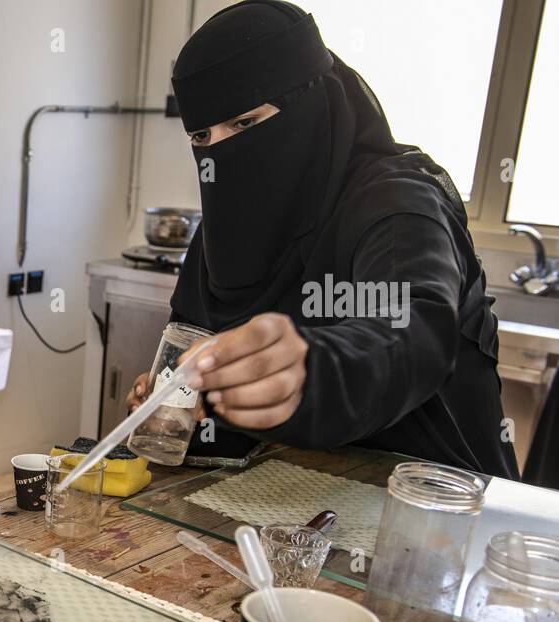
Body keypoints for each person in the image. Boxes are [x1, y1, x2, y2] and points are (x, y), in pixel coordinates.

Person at [130, 0, 518, 480]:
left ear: (312, 101)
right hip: (290, 505)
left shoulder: (397, 205)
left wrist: (313, 371)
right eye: (202, 137)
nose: (223, 151)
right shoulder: (230, 220)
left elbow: (410, 329)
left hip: (435, 504)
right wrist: (175, 392)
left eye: (246, 123)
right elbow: (193, 342)